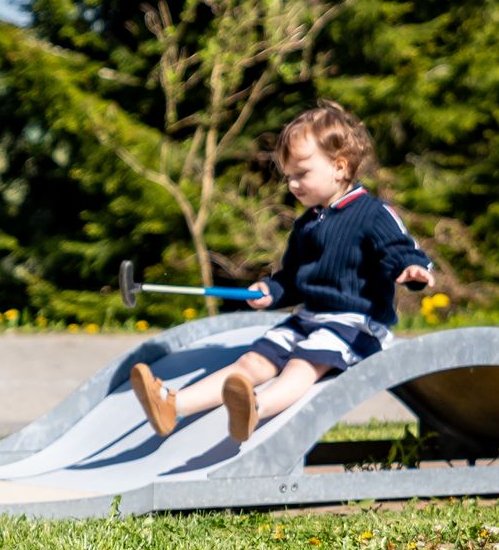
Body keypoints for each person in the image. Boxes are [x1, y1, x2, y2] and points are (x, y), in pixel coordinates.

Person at [129, 102, 435, 445]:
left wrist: (413, 269)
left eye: (301, 174)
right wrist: (271, 290)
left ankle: (256, 408)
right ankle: (173, 404)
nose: (292, 184)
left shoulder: (373, 213)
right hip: (308, 319)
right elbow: (291, 279)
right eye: (288, 176)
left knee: (302, 365)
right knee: (251, 361)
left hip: (355, 325)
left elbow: (400, 249)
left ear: (339, 167)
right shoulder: (307, 224)